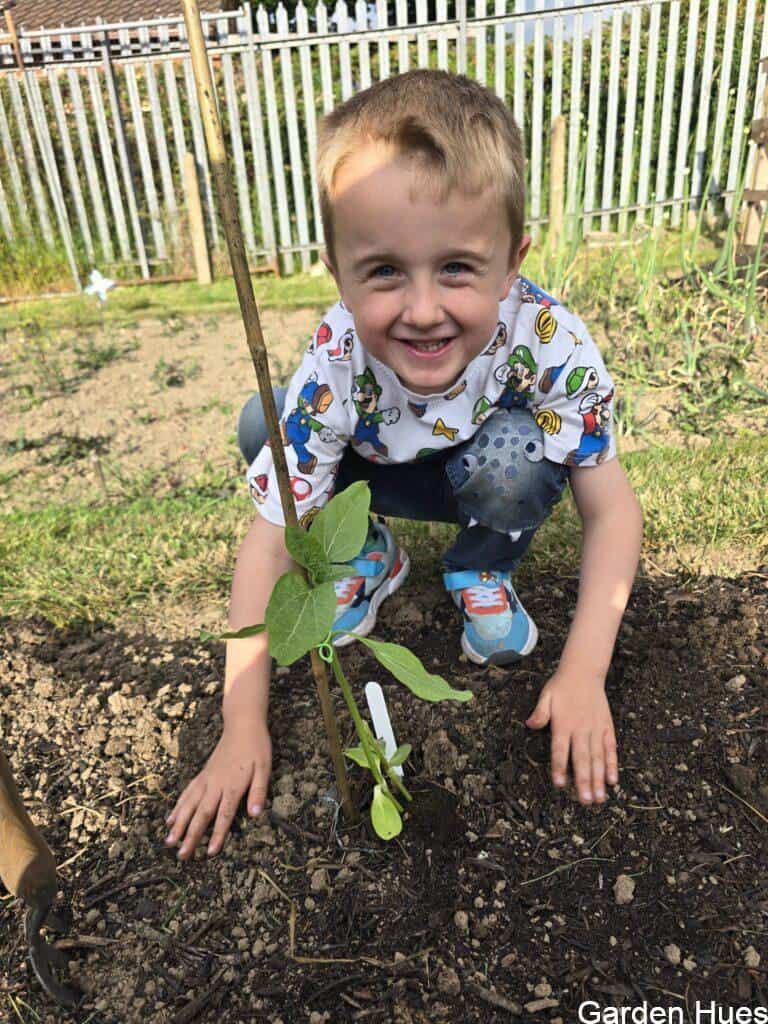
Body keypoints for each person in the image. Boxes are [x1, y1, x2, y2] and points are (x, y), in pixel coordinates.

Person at [165, 69, 643, 861]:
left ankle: (479, 570)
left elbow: (613, 510)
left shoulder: (548, 338)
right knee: (267, 422)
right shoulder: (339, 354)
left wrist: (585, 671)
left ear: (514, 259)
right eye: (384, 271)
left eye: (458, 267)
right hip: (378, 469)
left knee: (519, 456)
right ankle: (367, 553)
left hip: (485, 477)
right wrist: (240, 726)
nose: (423, 310)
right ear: (337, 268)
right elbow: (268, 541)